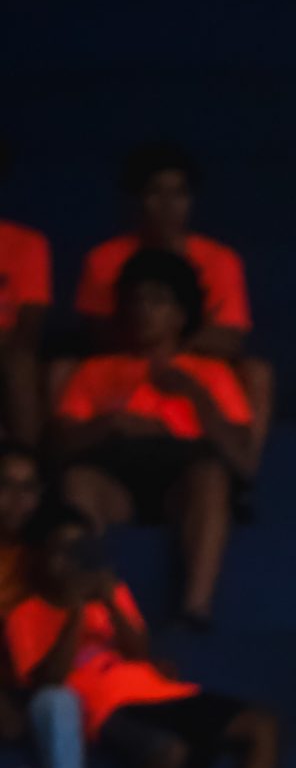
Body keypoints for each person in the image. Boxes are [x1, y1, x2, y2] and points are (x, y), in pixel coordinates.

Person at [4, 505, 278, 768]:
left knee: (264, 725)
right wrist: (76, 610)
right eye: (63, 551)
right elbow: (50, 681)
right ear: (41, 556)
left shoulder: (112, 592)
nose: (73, 561)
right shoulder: (25, 614)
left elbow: (140, 653)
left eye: (81, 549)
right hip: (102, 705)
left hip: (157, 692)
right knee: (169, 753)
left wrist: (109, 602)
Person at [51, 247, 260, 624]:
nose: (144, 310)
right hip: (117, 485)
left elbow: (242, 460)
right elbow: (61, 447)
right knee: (77, 481)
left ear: (181, 314)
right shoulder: (94, 371)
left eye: (157, 301)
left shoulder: (212, 373)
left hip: (180, 489)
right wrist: (111, 424)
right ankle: (89, 602)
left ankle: (196, 607)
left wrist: (196, 396)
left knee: (211, 476)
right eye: (137, 300)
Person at [74, 138, 274, 455]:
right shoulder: (103, 258)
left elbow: (230, 339)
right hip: (125, 356)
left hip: (199, 363)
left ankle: (243, 469)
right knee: (61, 370)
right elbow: (98, 335)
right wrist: (154, 342)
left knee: (258, 372)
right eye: (156, 192)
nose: (168, 204)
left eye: (179, 194)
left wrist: (167, 346)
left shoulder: (221, 259)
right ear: (137, 200)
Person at [0, 445, 85, 768]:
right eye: (5, 486)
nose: (17, 500)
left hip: (30, 683)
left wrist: (74, 605)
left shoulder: (49, 556)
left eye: (28, 488)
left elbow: (52, 673)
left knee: (60, 701)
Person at [0, 151, 50, 444]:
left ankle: (26, 458)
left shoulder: (27, 243)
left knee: (21, 362)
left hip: (6, 348)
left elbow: (32, 321)